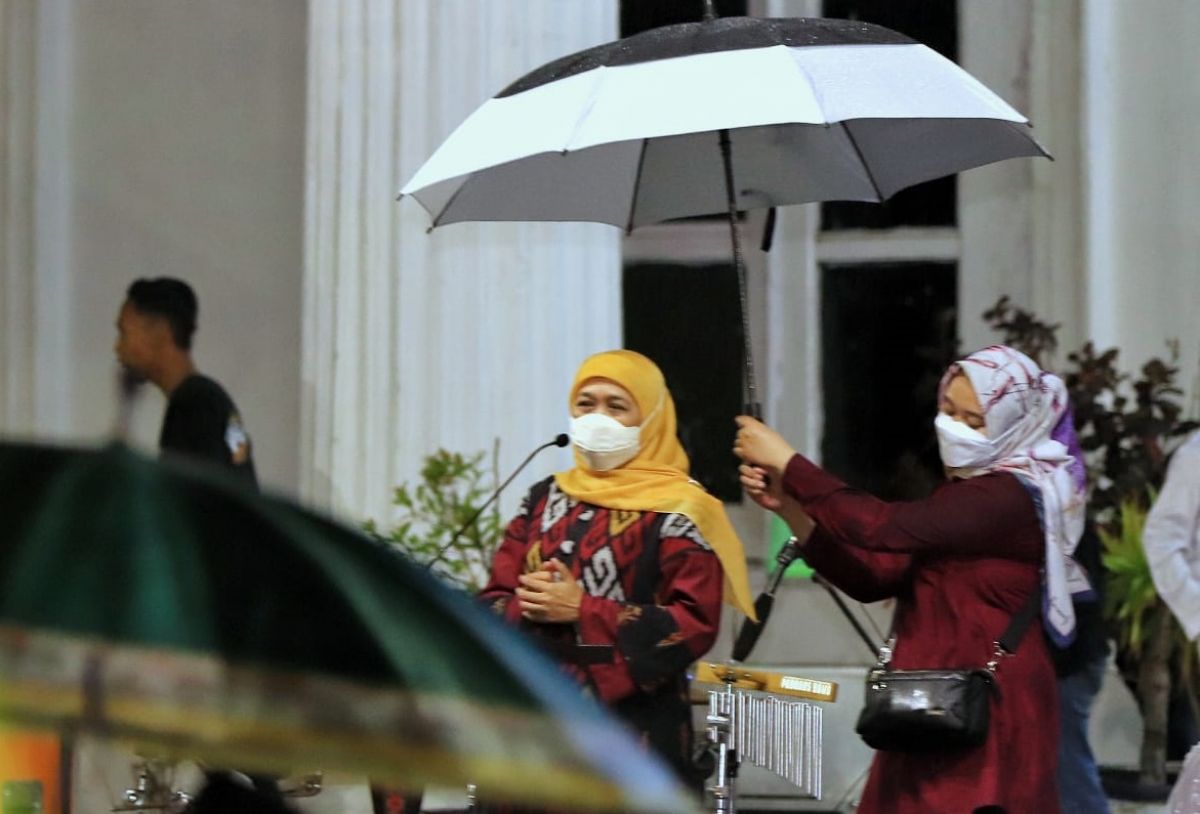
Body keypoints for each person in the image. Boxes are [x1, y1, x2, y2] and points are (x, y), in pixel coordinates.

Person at [734, 345, 1090, 814]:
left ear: (1015, 425)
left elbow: (883, 528)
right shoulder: (961, 494)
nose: (954, 427)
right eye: (948, 411)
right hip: (926, 705)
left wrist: (789, 463)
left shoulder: (1010, 496)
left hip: (986, 706)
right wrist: (793, 510)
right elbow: (875, 577)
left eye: (974, 420)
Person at [479, 349, 755, 788]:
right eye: (585, 404)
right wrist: (525, 606)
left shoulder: (680, 511)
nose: (597, 417)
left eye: (617, 406)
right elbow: (492, 599)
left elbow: (695, 623)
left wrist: (583, 609)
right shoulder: (542, 498)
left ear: (650, 418)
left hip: (632, 736)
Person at [114, 277, 257, 489]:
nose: (118, 348)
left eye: (124, 333)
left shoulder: (192, 408)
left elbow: (189, 504)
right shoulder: (213, 401)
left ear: (160, 334)